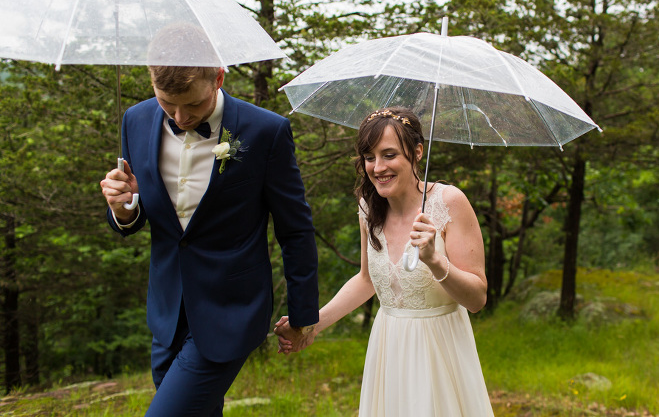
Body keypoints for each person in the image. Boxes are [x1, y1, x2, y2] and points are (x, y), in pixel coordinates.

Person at [100, 27, 319, 416]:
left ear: (218, 77)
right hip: (167, 313)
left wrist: (303, 317)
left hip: (231, 310)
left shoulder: (266, 132)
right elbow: (139, 215)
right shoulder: (134, 121)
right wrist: (123, 208)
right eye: (167, 104)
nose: (181, 118)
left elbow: (295, 229)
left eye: (194, 106)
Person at [275, 106, 494, 416]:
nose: (378, 167)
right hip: (388, 346)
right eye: (369, 157)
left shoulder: (449, 202)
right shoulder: (369, 207)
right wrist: (311, 324)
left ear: (417, 152)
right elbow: (367, 281)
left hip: (440, 348)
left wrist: (434, 261)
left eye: (389, 155)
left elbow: (477, 298)